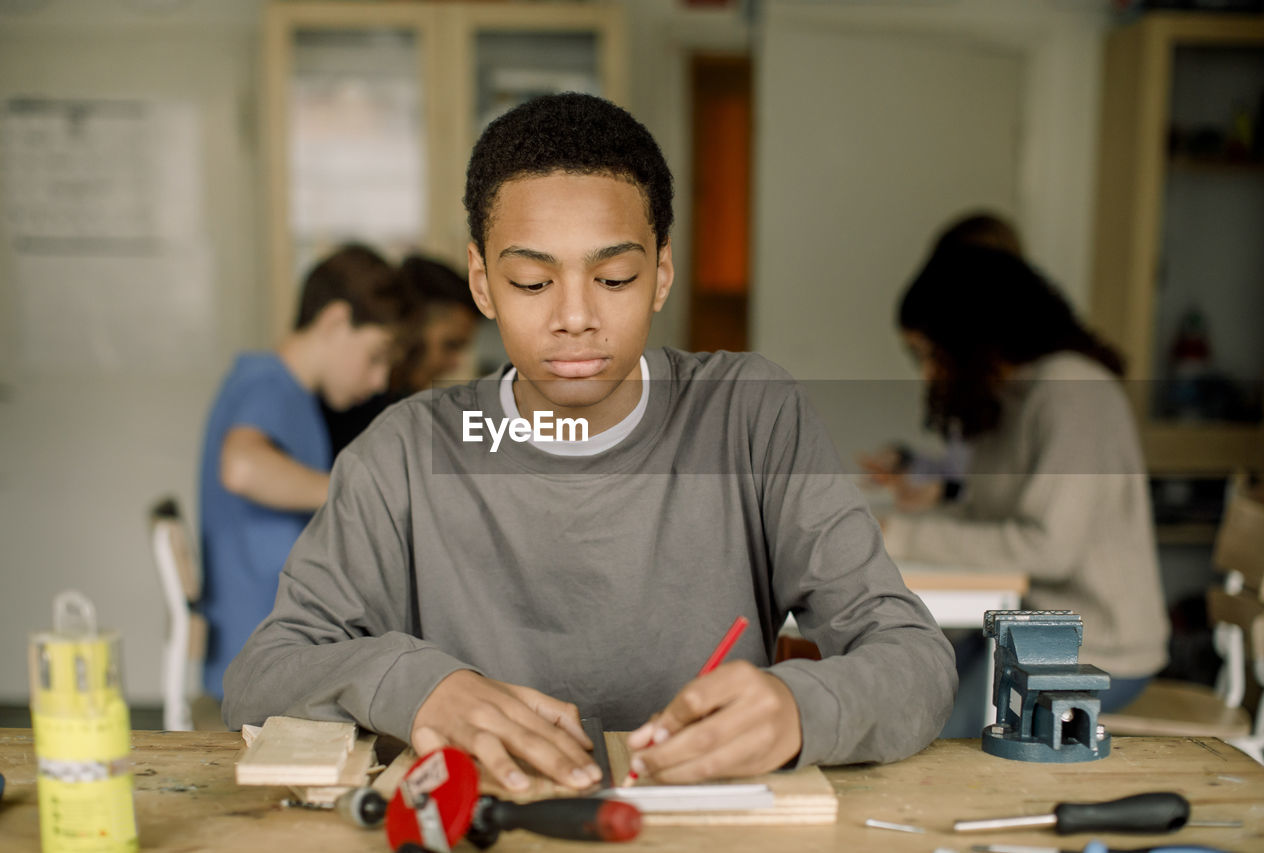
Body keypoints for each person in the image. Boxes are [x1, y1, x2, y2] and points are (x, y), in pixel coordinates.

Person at [224, 93, 955, 789]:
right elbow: (263, 671)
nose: (575, 316)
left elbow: (916, 658)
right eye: (532, 283)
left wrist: (802, 709)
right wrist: (417, 686)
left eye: (613, 276)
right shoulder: (407, 453)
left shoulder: (749, 416)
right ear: (482, 283)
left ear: (660, 271)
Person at [879, 244, 1169, 719]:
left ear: (969, 335)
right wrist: (892, 529)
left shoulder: (1071, 392)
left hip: (1097, 648)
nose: (927, 372)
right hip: (1024, 631)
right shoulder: (1008, 400)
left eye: (929, 353)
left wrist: (903, 535)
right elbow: (985, 518)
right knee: (906, 695)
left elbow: (1047, 549)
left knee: (936, 732)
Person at [198, 243, 417, 699]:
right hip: (261, 648)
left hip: (267, 635)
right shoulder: (268, 383)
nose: (379, 380)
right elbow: (241, 466)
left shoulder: (287, 394)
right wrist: (358, 492)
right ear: (335, 321)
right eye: (376, 356)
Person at [858, 211, 1022, 511]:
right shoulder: (969, 377)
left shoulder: (1025, 385)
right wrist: (905, 461)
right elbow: (961, 470)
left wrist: (946, 491)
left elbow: (1012, 500)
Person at [323, 254, 483, 455]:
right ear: (412, 331)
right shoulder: (346, 402)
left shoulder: (411, 410)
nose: (454, 364)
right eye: (450, 345)